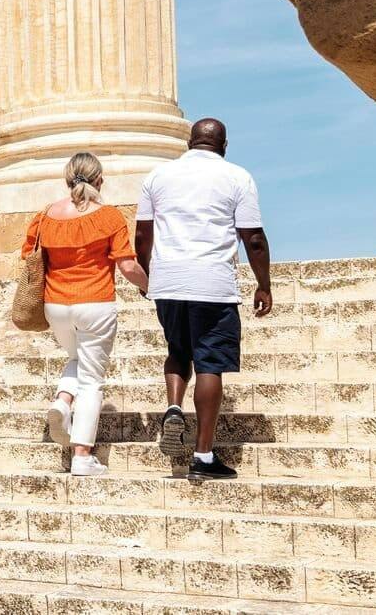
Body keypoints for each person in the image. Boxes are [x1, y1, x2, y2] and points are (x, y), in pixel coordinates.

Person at [134, 117, 272, 481]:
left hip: (169, 280)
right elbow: (253, 237)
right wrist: (264, 284)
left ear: (189, 142)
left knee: (178, 351)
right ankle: (204, 455)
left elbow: (142, 234)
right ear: (223, 145)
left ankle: (174, 406)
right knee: (210, 364)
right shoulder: (237, 176)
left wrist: (149, 275)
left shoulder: (157, 176)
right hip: (212, 283)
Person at [20, 152, 151, 477]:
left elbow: (28, 255)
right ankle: (82, 455)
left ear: (68, 180)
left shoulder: (45, 216)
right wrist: (150, 286)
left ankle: (63, 402)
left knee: (77, 358)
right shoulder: (109, 217)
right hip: (95, 303)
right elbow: (127, 265)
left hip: (56, 305)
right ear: (100, 179)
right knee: (92, 380)